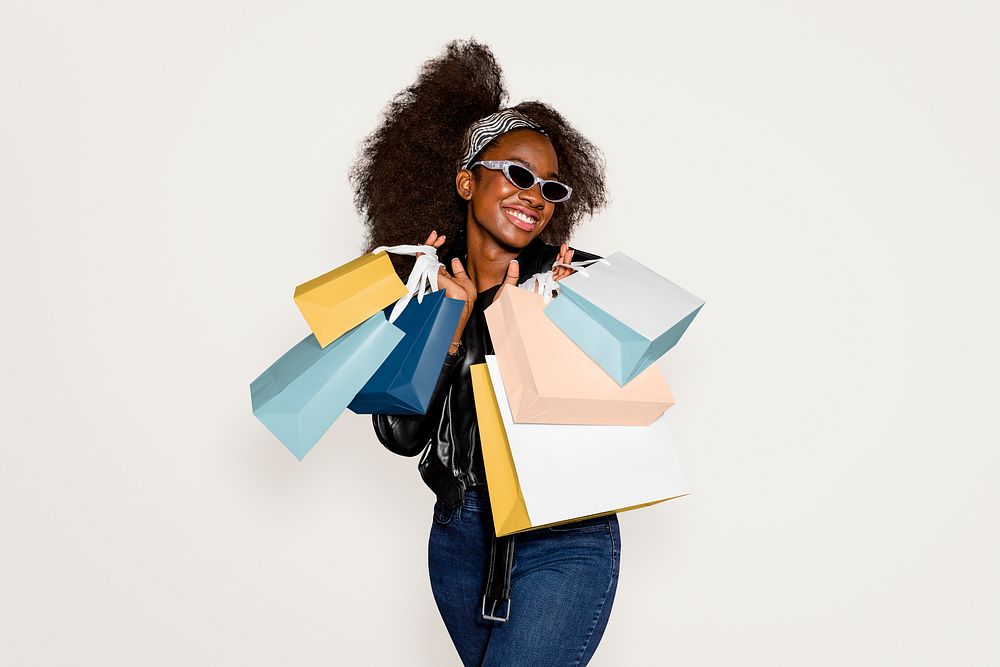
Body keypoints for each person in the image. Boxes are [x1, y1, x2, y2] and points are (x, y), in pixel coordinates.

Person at [351, 39, 616, 666]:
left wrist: (579, 315)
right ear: (467, 180)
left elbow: (635, 389)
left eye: (551, 187)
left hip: (565, 533)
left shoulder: (575, 280)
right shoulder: (423, 287)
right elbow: (399, 434)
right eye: (517, 175)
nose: (533, 195)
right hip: (461, 534)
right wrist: (450, 323)